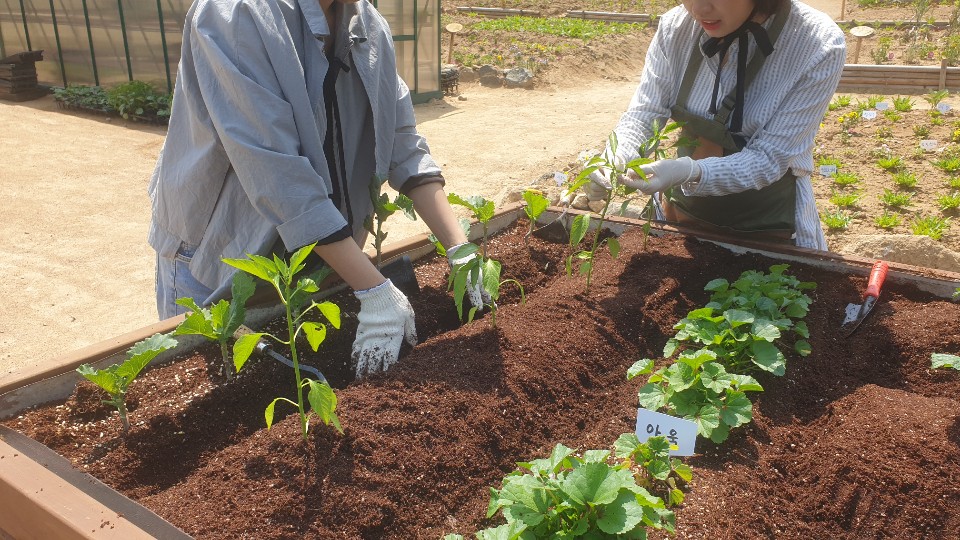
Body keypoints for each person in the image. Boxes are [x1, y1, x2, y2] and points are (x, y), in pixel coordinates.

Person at [148, 0, 488, 377]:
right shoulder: (235, 13)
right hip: (218, 256)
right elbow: (277, 173)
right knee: (223, 401)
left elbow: (402, 144)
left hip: (321, 260)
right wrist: (374, 291)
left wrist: (460, 249)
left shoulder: (366, 24)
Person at [589, 0, 845, 249]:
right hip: (683, 213)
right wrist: (617, 155)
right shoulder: (676, 27)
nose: (698, 9)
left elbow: (769, 158)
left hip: (765, 224)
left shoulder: (817, 44)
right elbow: (647, 111)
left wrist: (689, 172)